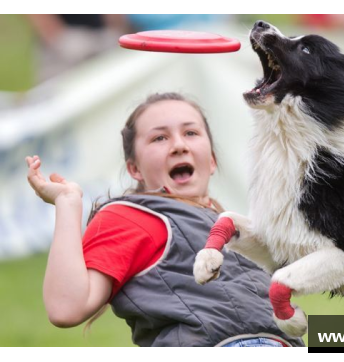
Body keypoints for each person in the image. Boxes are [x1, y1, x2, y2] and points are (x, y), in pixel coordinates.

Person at [25, 92, 305, 347]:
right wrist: (67, 203)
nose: (179, 145)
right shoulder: (133, 216)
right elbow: (65, 308)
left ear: (211, 160)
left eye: (191, 132)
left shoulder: (237, 229)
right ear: (134, 169)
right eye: (160, 138)